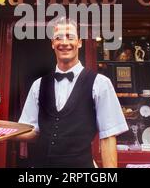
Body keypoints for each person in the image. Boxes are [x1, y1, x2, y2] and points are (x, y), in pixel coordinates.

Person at [16, 17, 128, 168]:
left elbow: (108, 136)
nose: (64, 42)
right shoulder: (38, 85)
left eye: (70, 37)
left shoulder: (100, 83)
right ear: (52, 44)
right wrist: (0, 133)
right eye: (58, 37)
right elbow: (31, 131)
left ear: (79, 42)